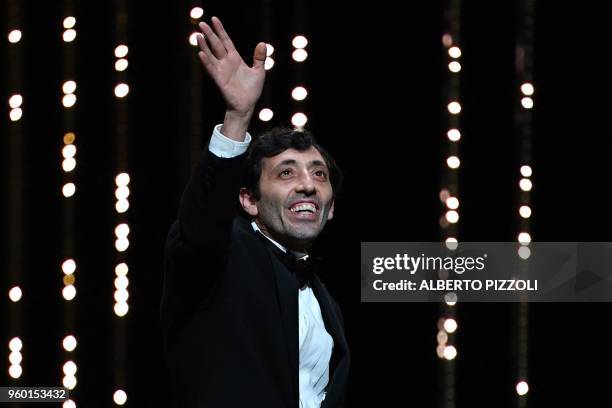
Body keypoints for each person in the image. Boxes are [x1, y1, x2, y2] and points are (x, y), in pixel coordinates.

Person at [161, 16, 350, 407]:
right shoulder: (224, 256)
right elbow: (199, 230)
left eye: (318, 174)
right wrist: (237, 118)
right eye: (286, 172)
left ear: (331, 209)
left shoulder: (325, 300)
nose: (307, 184)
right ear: (248, 200)